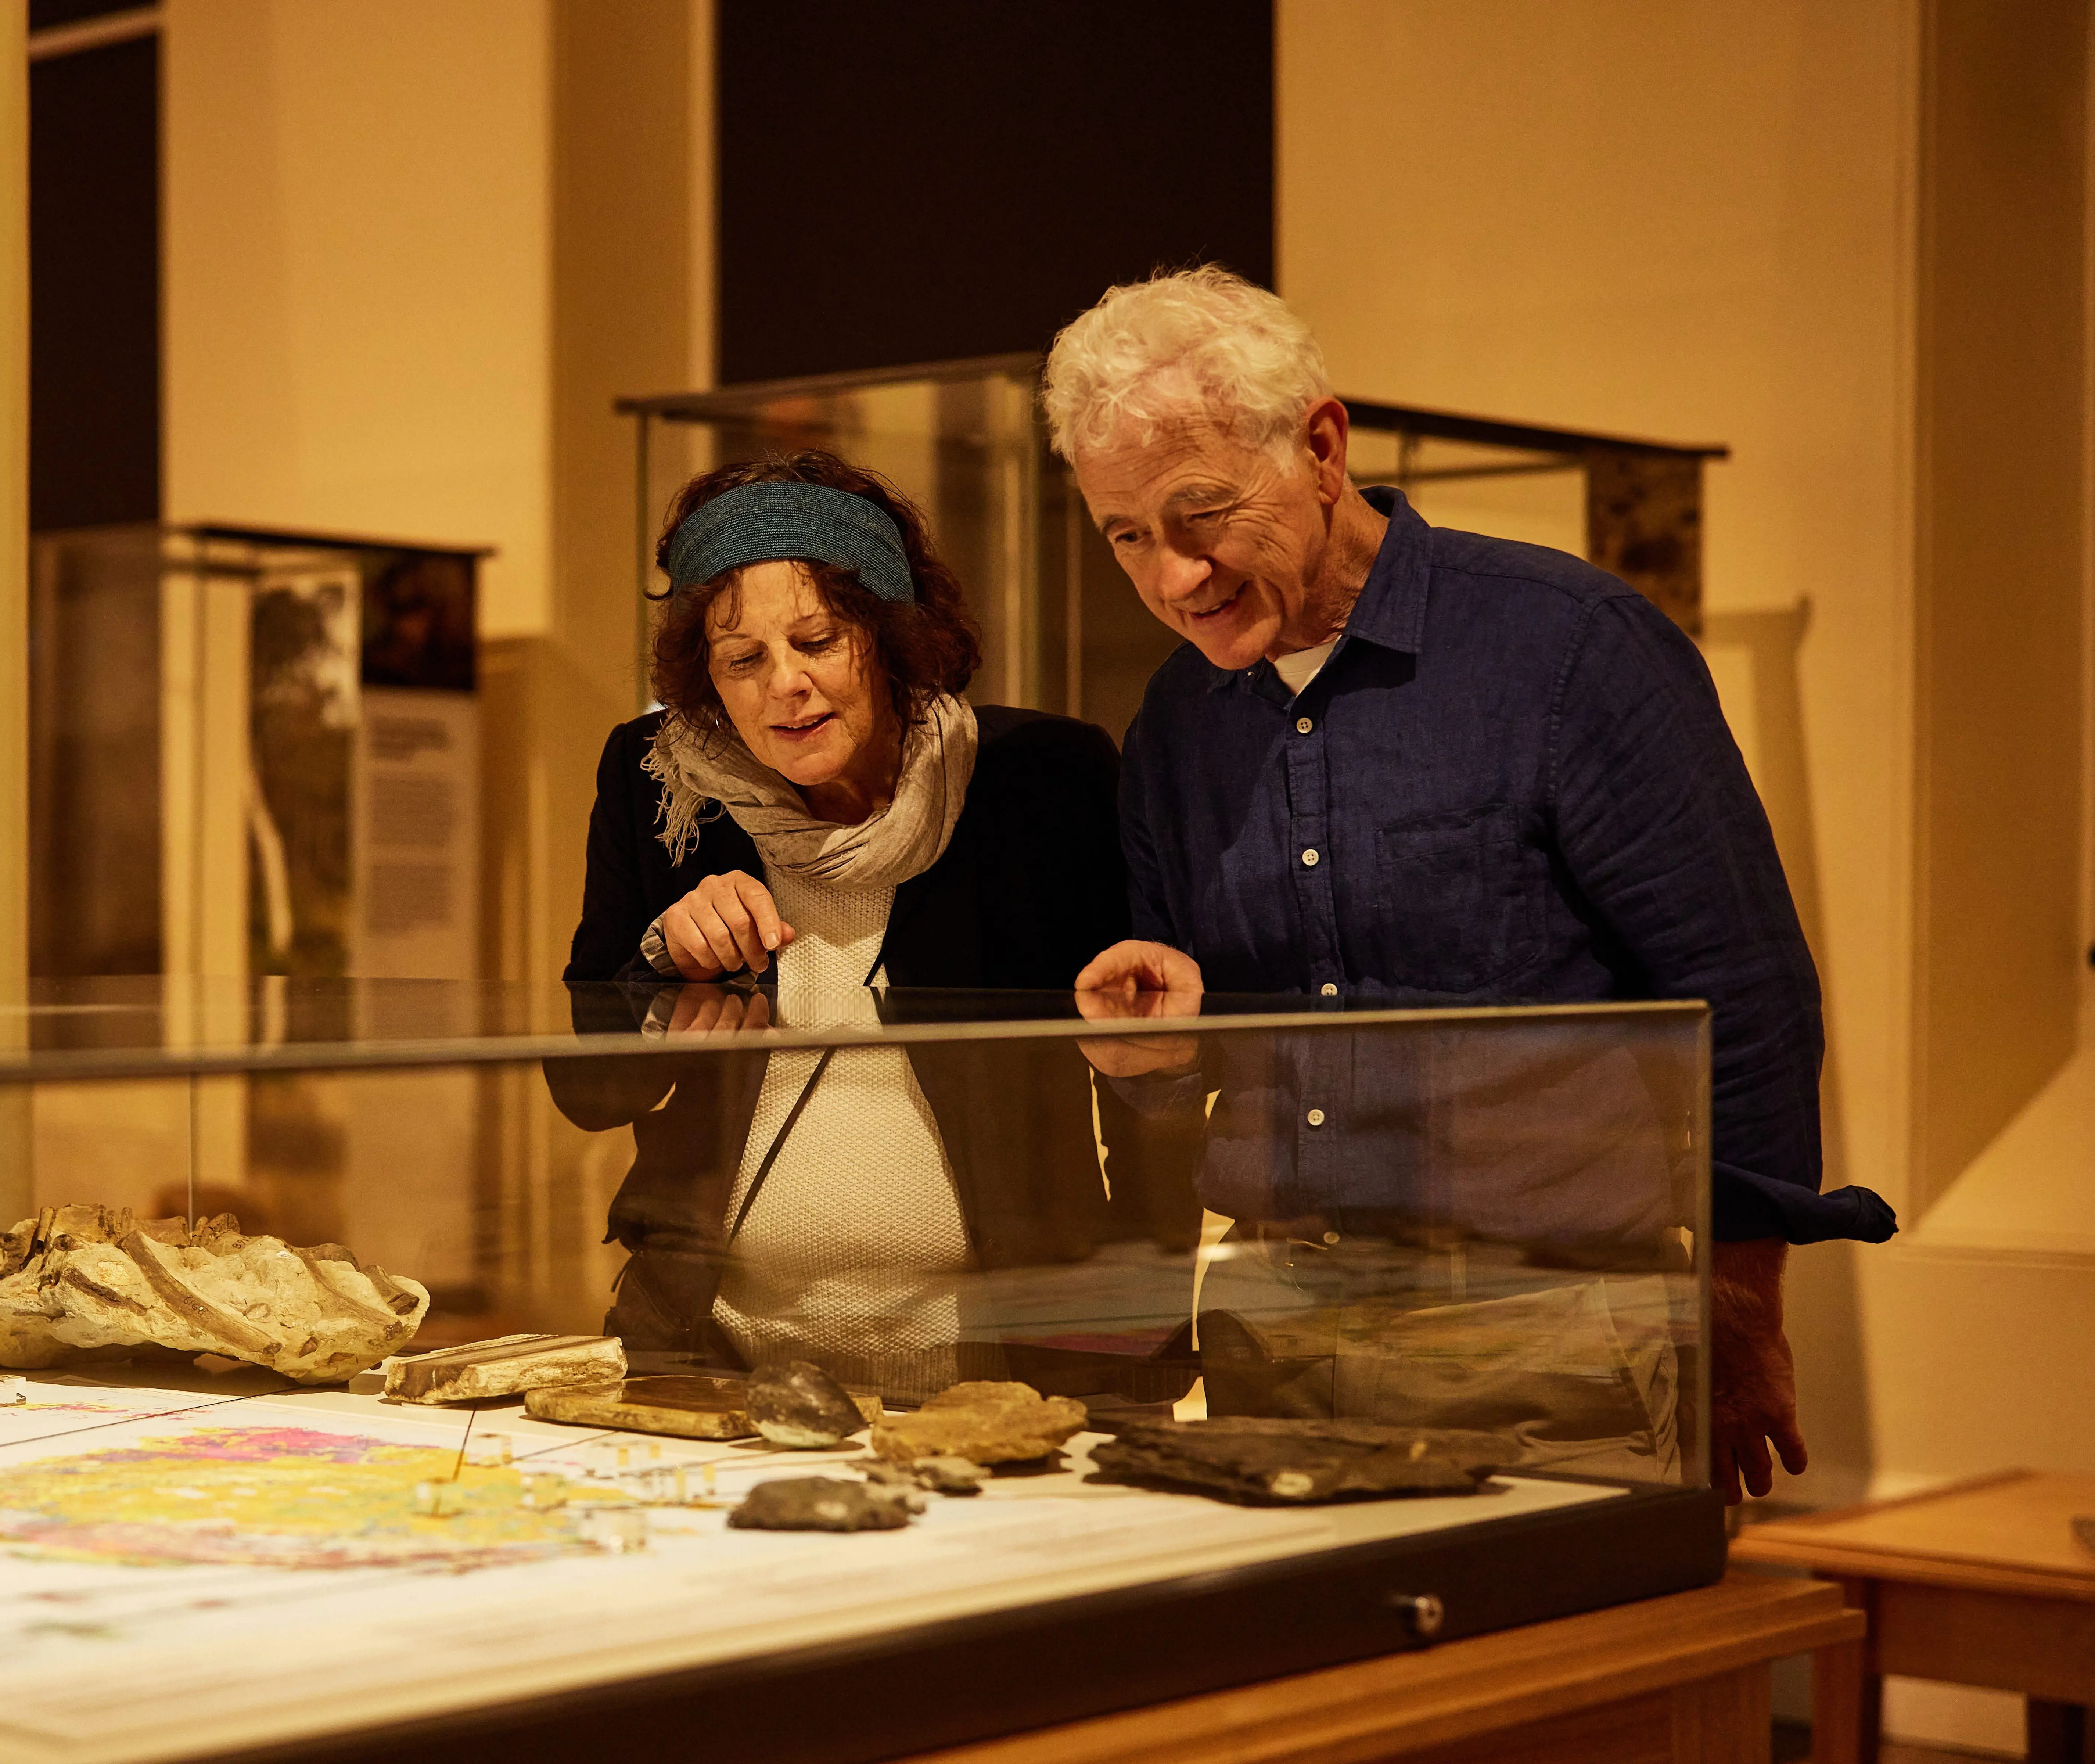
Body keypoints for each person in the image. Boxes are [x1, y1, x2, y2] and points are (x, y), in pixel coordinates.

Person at [1044, 266, 1894, 1500]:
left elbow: (1740, 991)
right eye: (1127, 537)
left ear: (1321, 445)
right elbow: (1186, 1069)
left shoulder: (1564, 649)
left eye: (1202, 514)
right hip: (1276, 1332)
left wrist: (1740, 1303)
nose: (1173, 578)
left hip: (1551, 1321)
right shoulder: (1178, 720)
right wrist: (1153, 1059)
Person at [558, 452, 1162, 1397]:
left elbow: (1147, 1077)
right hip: (714, 1356)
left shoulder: (1042, 780)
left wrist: (1141, 1341)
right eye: (742, 660)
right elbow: (589, 1093)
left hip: (1007, 1368)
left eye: (817, 640)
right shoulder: (658, 779)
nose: (783, 687)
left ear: (887, 636)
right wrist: (659, 961)